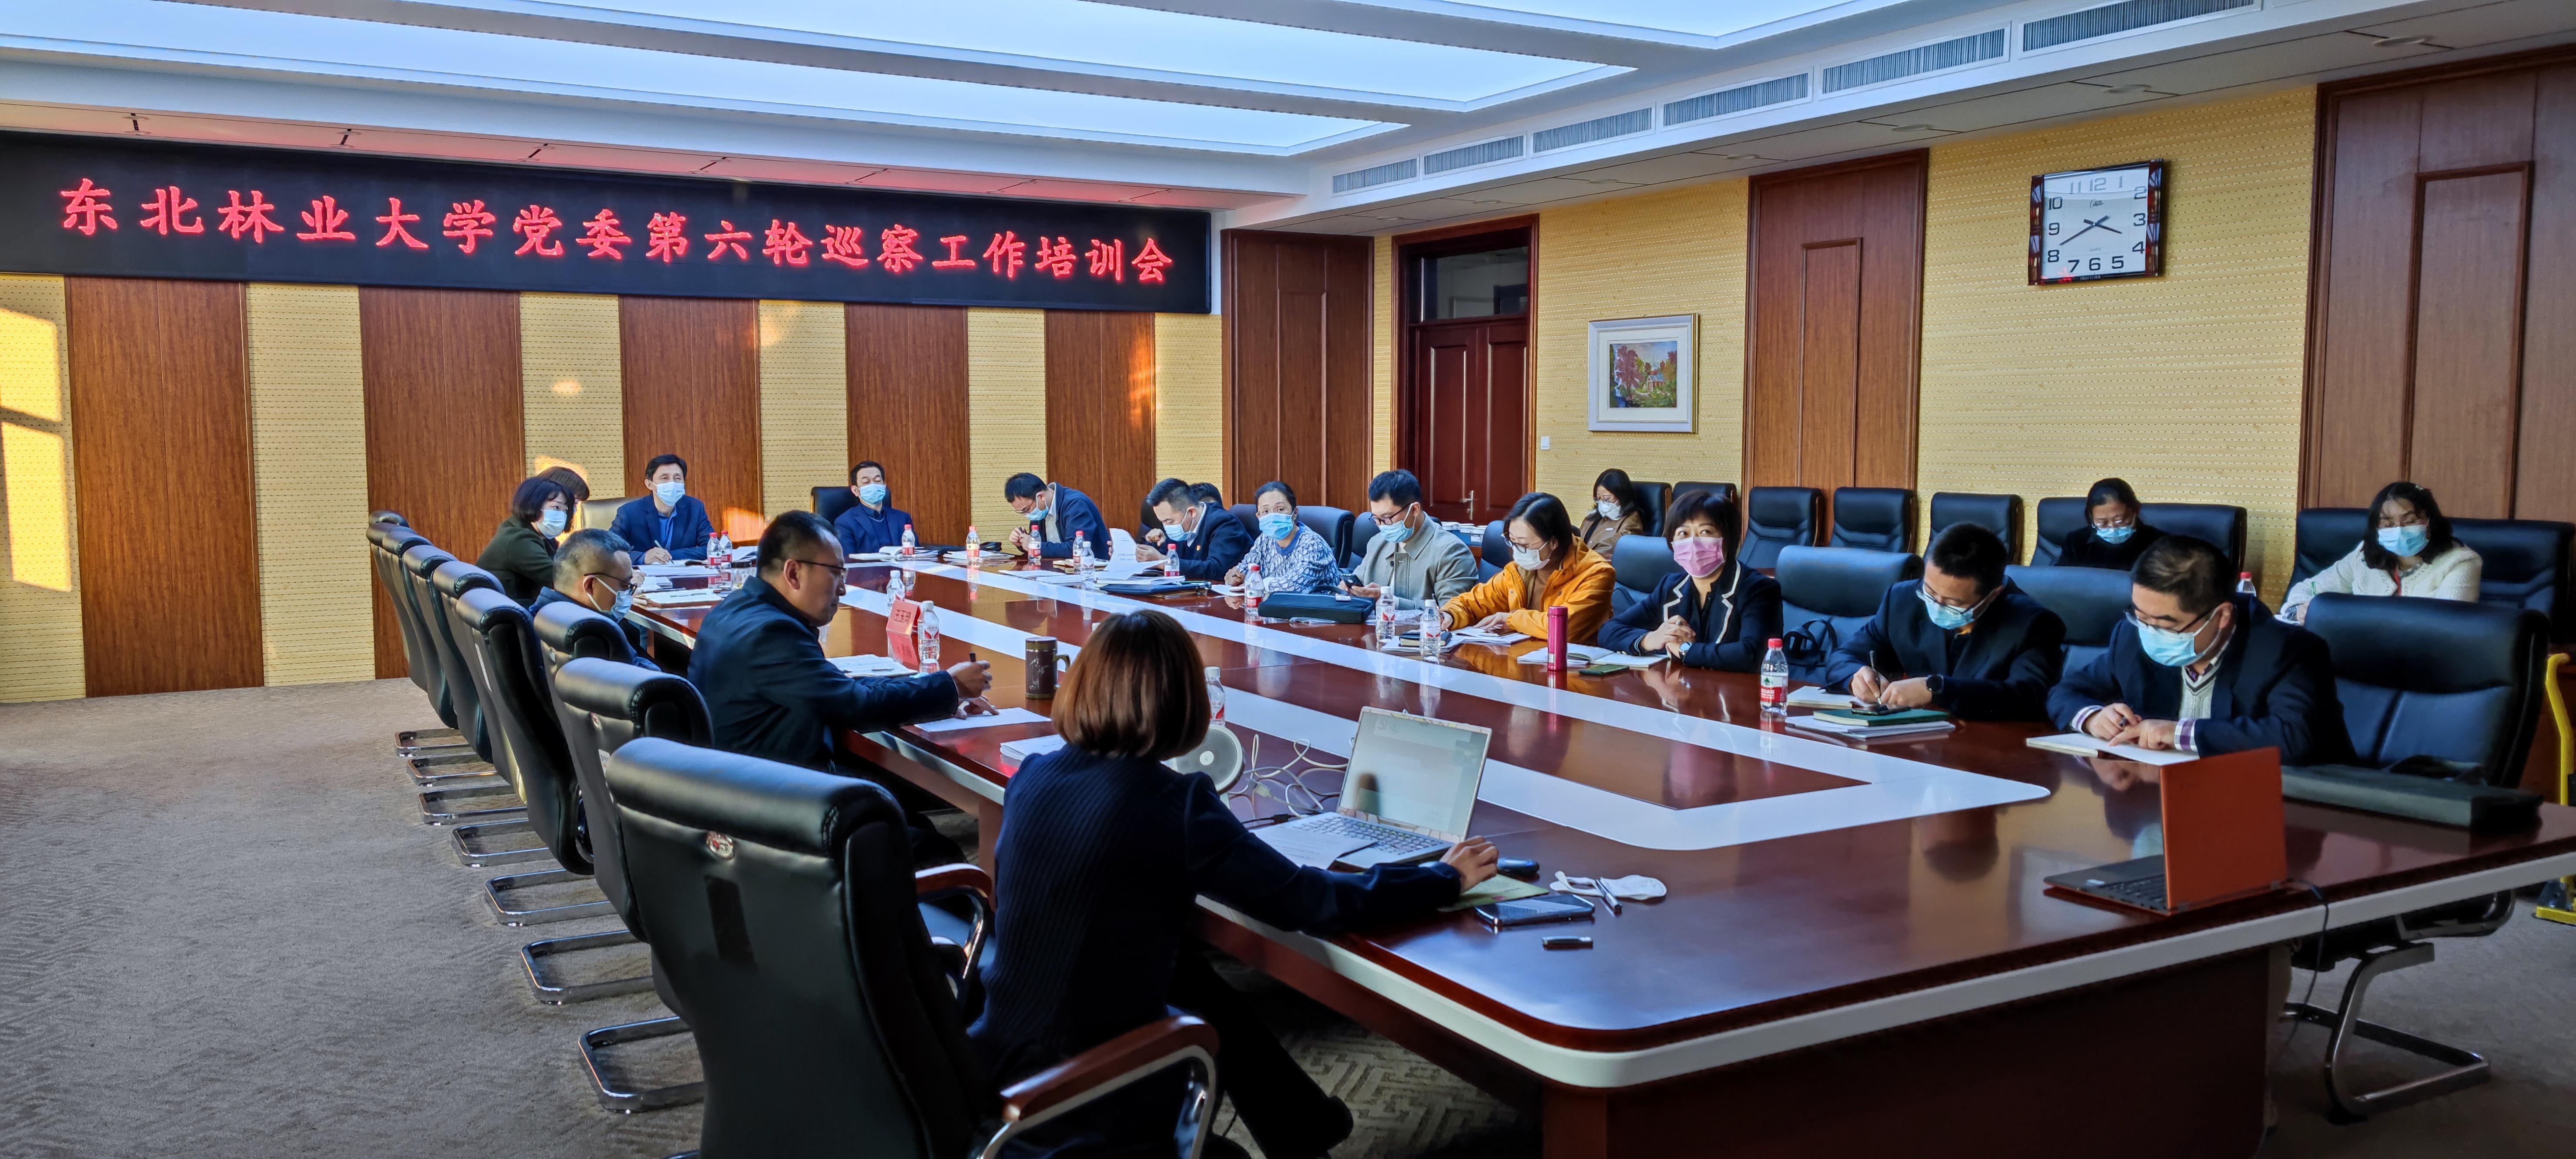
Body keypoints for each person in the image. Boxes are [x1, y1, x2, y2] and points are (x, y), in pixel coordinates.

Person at [968, 608, 1496, 1159]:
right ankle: (1299, 1128)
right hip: (1080, 1098)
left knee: (1187, 974)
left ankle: (1301, 1125)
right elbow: (1312, 904)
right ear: (1183, 700)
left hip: (992, 1065)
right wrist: (1442, 877)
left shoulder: (1033, 776)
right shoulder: (1175, 803)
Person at [687, 511, 996, 865]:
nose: (844, 589)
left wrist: (936, 688)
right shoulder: (772, 633)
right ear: (793, 573)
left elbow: (833, 685)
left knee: (910, 821)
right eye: (836, 573)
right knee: (935, 852)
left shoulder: (736, 610)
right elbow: (854, 705)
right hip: (776, 808)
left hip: (743, 788)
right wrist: (950, 687)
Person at [2047, 535, 2349, 765]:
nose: (2150, 632)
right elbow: (2065, 692)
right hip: (2159, 796)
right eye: (2141, 617)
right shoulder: (2131, 636)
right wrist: (2093, 718)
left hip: (2277, 804)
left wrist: (2178, 733)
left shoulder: (2287, 650)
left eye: (2166, 625)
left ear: (2222, 616)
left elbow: (2295, 736)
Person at [1825, 523, 2066, 720]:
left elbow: (2029, 696)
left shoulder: (2033, 623)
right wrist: (1856, 676)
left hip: (1989, 745)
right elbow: (1843, 657)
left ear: (1993, 595)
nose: (1937, 605)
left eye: (1953, 602)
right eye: (1930, 592)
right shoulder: (1902, 600)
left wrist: (1937, 689)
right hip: (1912, 738)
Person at [1598, 487, 1780, 670]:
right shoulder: (1671, 587)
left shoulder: (1758, 588)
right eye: (1683, 534)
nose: (1693, 542)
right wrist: (1650, 639)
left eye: (1706, 532)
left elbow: (1752, 654)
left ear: (1729, 539)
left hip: (1735, 687)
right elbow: (1609, 631)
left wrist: (1687, 650)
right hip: (1678, 684)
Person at [2280, 480, 2482, 623]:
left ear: (2431, 522)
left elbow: (2448, 625)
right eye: (2388, 524)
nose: (2399, 530)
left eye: (2410, 521)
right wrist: (2301, 610)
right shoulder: (2364, 556)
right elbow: (2309, 589)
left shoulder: (2460, 562)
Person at [1439, 492, 1617, 645]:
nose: (1517, 551)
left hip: (1573, 667)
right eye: (1512, 542)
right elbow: (1475, 603)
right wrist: (1449, 615)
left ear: (1554, 543)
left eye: (1524, 545)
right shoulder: (1519, 571)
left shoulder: (1596, 573)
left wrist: (1512, 619)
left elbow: (1563, 627)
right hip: (1521, 660)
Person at [1341, 469, 1477, 611]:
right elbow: (1359, 581)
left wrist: (1390, 601)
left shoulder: (1452, 552)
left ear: (1415, 510)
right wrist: (1349, 590)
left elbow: (1450, 613)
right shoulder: (1377, 543)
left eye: (1386, 519)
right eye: (1376, 519)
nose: (1382, 526)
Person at [530, 527, 657, 671]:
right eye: (625, 586)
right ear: (590, 586)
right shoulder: (599, 635)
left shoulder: (538, 615)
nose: (628, 594)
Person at [1225, 480, 1341, 594]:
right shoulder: (1265, 539)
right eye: (1266, 511)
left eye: (1280, 509)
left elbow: (1293, 585)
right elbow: (1246, 568)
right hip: (1275, 605)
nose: (1273, 516)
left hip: (1318, 606)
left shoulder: (1313, 544)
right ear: (1258, 516)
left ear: (1295, 513)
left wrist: (1255, 584)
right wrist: (1234, 576)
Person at [477, 474, 572, 605]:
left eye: (565, 510)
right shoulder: (519, 540)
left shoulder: (524, 530)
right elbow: (560, 579)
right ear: (533, 504)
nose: (562, 515)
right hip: (513, 611)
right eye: (556, 508)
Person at [1136, 476, 1250, 581]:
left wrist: (1165, 562)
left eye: (1169, 522)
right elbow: (1164, 555)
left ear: (1191, 512)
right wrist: (1151, 547)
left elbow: (1216, 569)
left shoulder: (1224, 524)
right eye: (1163, 522)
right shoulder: (1182, 525)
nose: (1166, 526)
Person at [608, 454, 713, 564]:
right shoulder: (629, 512)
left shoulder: (695, 508)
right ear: (650, 484)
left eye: (677, 478)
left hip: (682, 573)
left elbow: (711, 548)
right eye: (665, 478)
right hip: (644, 574)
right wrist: (643, 557)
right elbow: (610, 549)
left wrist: (670, 556)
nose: (672, 483)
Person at [2053, 477, 2164, 570]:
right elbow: (2060, 582)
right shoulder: (2076, 543)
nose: (2112, 528)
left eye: (2119, 521)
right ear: (2092, 518)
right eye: (2103, 523)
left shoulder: (2161, 544)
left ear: (2136, 511)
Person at [1004, 473, 1110, 561]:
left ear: (1041, 497)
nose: (1027, 515)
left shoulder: (1075, 504)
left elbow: (1076, 548)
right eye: (1021, 512)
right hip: (1059, 571)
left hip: (1093, 570)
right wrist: (1022, 543)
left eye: (1026, 510)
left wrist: (1035, 545)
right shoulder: (1040, 511)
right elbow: (1043, 550)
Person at [830, 460, 917, 556]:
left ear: (884, 486)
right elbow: (848, 559)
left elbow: (916, 553)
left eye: (877, 481)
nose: (873, 485)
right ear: (855, 491)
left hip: (900, 566)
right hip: (866, 566)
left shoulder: (903, 518)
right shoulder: (845, 522)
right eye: (866, 482)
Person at [1579, 468, 1646, 556]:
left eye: (1607, 499)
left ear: (1621, 496)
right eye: (1599, 498)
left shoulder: (1631, 520)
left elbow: (1621, 544)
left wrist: (1586, 555)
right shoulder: (1592, 516)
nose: (1602, 503)